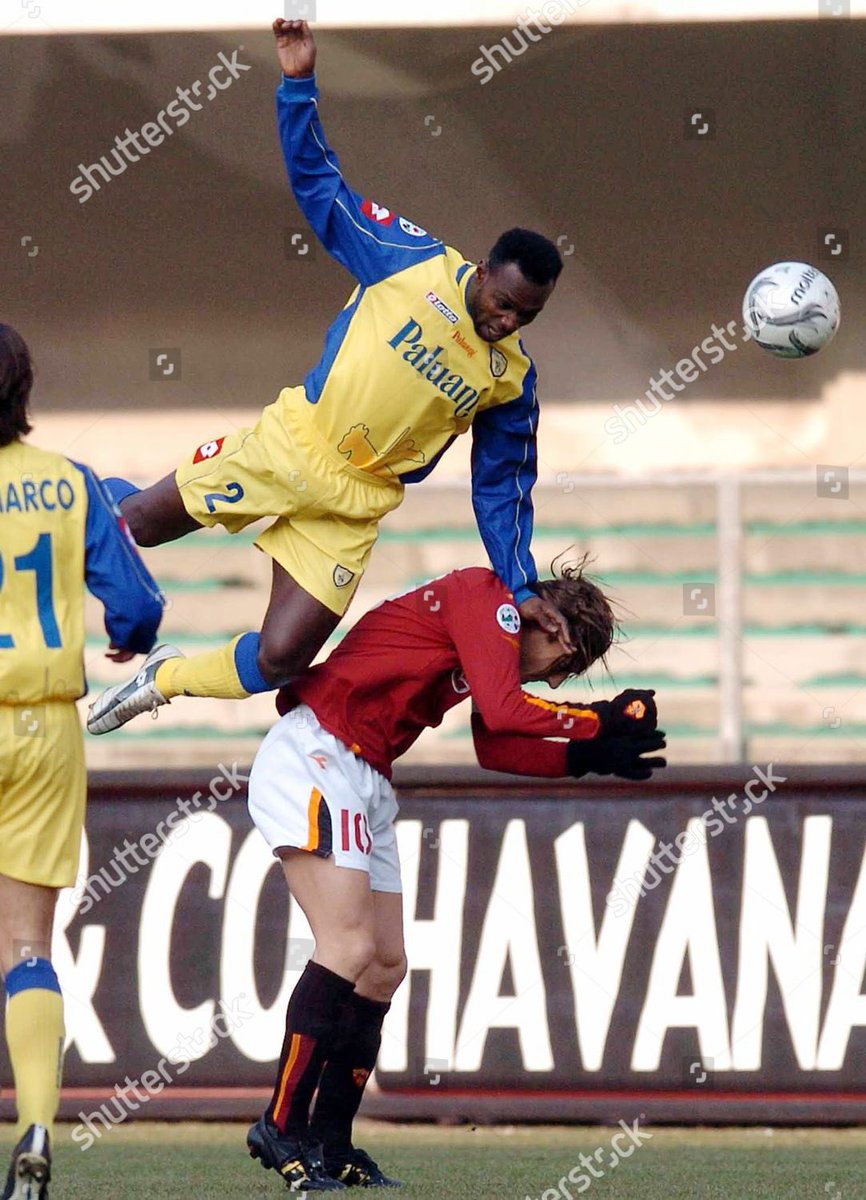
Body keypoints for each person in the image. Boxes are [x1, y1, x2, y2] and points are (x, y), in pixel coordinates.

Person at [87, 15, 571, 737]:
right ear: (482, 273)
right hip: (291, 447)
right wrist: (297, 83)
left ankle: (166, 679)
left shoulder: (511, 380)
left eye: (524, 317)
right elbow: (320, 186)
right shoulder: (411, 262)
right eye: (504, 305)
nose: (506, 323)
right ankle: (71, 495)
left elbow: (500, 486)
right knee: (135, 530)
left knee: (283, 657)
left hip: (354, 504)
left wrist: (519, 580)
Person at [242, 561, 666, 1190]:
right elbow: (506, 708)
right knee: (349, 947)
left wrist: (586, 757)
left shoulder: (488, 635)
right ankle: (280, 1124)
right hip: (319, 751)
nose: (556, 678)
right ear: (550, 622)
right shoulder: (486, 597)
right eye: (565, 663)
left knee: (385, 966)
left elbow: (495, 742)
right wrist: (598, 720)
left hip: (364, 772)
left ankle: (331, 1142)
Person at [0, 325, 164, 1200]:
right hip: (40, 727)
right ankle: (33, 1125)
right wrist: (122, 640)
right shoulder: (66, 482)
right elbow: (137, 605)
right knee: (25, 945)